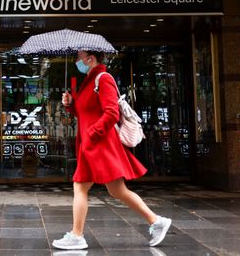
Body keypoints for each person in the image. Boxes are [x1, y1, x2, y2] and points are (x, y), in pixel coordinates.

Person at [52, 50, 172, 250]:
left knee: (80, 187)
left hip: (98, 144)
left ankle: (77, 235)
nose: (77, 61)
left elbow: (111, 112)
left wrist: (92, 133)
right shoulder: (89, 80)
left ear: (90, 59)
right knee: (117, 190)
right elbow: (87, 112)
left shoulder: (102, 78)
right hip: (93, 144)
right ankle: (156, 221)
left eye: (79, 57)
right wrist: (71, 105)